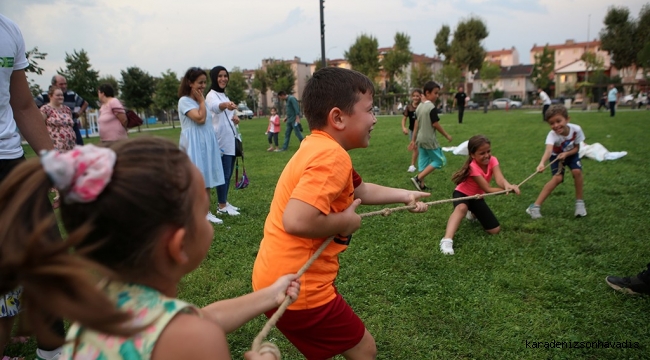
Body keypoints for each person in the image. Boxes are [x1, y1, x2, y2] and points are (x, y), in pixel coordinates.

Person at [0, 137, 301, 360]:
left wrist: (270, 294)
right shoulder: (193, 341)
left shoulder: (100, 308)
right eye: (203, 212)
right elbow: (198, 329)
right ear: (179, 245)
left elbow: (202, 318)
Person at [251, 67, 429, 360]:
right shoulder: (332, 157)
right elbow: (296, 219)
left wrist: (404, 195)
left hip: (274, 278)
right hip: (300, 288)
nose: (375, 119)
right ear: (338, 118)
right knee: (364, 350)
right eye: (370, 110)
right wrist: (345, 221)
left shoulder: (318, 147)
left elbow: (361, 190)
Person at [0, 13, 65, 360]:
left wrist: (55, 166)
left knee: (48, 257)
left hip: (9, 161)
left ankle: (53, 351)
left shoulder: (8, 30)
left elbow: (23, 105)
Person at [439, 135, 520, 255]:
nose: (487, 155)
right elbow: (487, 189)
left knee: (495, 230)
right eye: (482, 153)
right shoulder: (473, 168)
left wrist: (508, 185)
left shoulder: (493, 160)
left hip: (477, 197)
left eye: (488, 151)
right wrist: (505, 191)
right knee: (461, 208)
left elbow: (500, 179)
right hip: (463, 194)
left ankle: (472, 213)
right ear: (472, 154)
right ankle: (447, 240)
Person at [178, 67, 225, 224]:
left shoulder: (200, 100)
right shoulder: (184, 101)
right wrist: (201, 102)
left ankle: (206, 212)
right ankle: (192, 213)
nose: (203, 86)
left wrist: (201, 101)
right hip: (193, 144)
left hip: (205, 142)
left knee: (207, 177)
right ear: (190, 83)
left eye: (205, 82)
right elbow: (200, 118)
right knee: (195, 178)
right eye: (200, 82)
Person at [526, 104, 586, 219]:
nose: (556, 125)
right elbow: (548, 150)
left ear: (567, 119)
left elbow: (577, 148)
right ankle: (535, 207)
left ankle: (580, 204)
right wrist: (542, 163)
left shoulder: (576, 130)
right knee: (557, 178)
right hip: (556, 156)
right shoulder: (552, 135)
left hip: (571, 154)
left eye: (559, 121)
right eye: (552, 123)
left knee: (577, 172)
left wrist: (567, 154)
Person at [206, 66, 241, 217]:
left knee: (228, 174)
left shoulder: (223, 95)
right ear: (214, 78)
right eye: (219, 76)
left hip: (230, 140)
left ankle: (224, 202)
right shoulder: (211, 96)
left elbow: (225, 116)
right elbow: (215, 107)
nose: (223, 79)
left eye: (225, 76)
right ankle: (221, 206)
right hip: (220, 141)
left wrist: (235, 119)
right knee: (223, 174)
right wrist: (226, 105)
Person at [409, 81, 452, 191]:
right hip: (429, 139)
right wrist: (446, 135)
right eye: (435, 93)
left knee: (423, 162)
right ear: (427, 93)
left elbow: (416, 125)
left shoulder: (419, 107)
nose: (437, 96)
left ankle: (421, 185)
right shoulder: (431, 107)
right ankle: (418, 178)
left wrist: (413, 140)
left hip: (420, 139)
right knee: (441, 161)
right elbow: (435, 124)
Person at [34, 74, 88, 145]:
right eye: (61, 84)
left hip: (71, 128)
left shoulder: (71, 95)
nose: (64, 86)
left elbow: (85, 103)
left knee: (80, 149)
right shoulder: (44, 96)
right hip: (54, 132)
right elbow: (32, 106)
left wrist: (78, 113)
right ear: (53, 84)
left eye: (65, 84)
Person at [40, 85, 77, 152]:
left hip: (70, 145)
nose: (61, 97)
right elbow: (40, 127)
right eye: (58, 95)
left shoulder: (67, 109)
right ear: (50, 96)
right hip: (56, 145)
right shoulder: (45, 109)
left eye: (62, 95)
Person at [400, 89, 421, 173]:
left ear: (420, 96)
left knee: (421, 148)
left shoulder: (422, 106)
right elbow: (404, 119)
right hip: (412, 131)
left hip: (422, 130)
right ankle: (412, 166)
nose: (415, 97)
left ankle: (422, 164)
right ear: (411, 97)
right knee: (415, 148)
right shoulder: (409, 107)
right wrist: (404, 127)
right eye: (414, 96)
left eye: (417, 96)